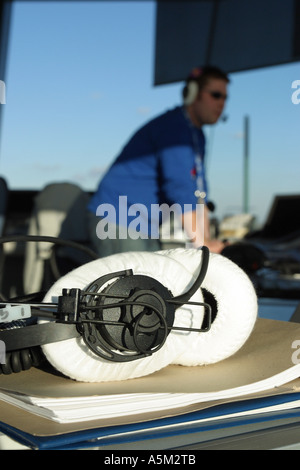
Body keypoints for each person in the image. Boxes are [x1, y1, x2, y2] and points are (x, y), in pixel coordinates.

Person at [88, 65, 229, 257]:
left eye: (225, 97)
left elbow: (197, 194)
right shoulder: (175, 129)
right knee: (137, 283)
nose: (222, 103)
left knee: (155, 281)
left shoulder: (196, 135)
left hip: (144, 224)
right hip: (118, 217)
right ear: (192, 94)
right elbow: (181, 188)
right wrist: (202, 246)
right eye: (215, 95)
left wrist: (207, 242)